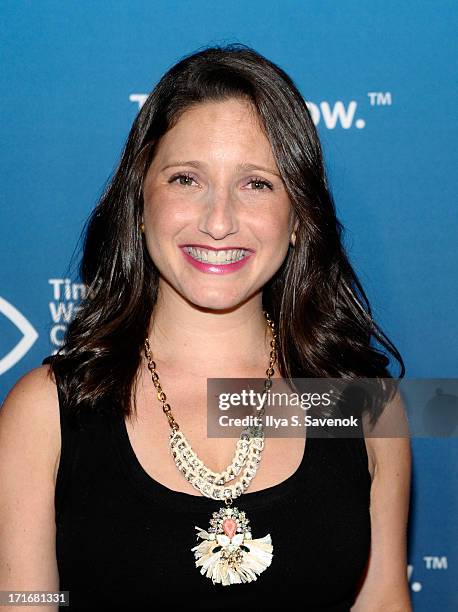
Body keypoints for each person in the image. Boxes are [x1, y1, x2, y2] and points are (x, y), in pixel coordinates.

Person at [0, 44, 412, 611]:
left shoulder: (362, 405)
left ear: (299, 218)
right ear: (140, 202)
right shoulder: (46, 412)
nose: (219, 222)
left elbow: (383, 599)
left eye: (257, 184)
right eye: (187, 179)